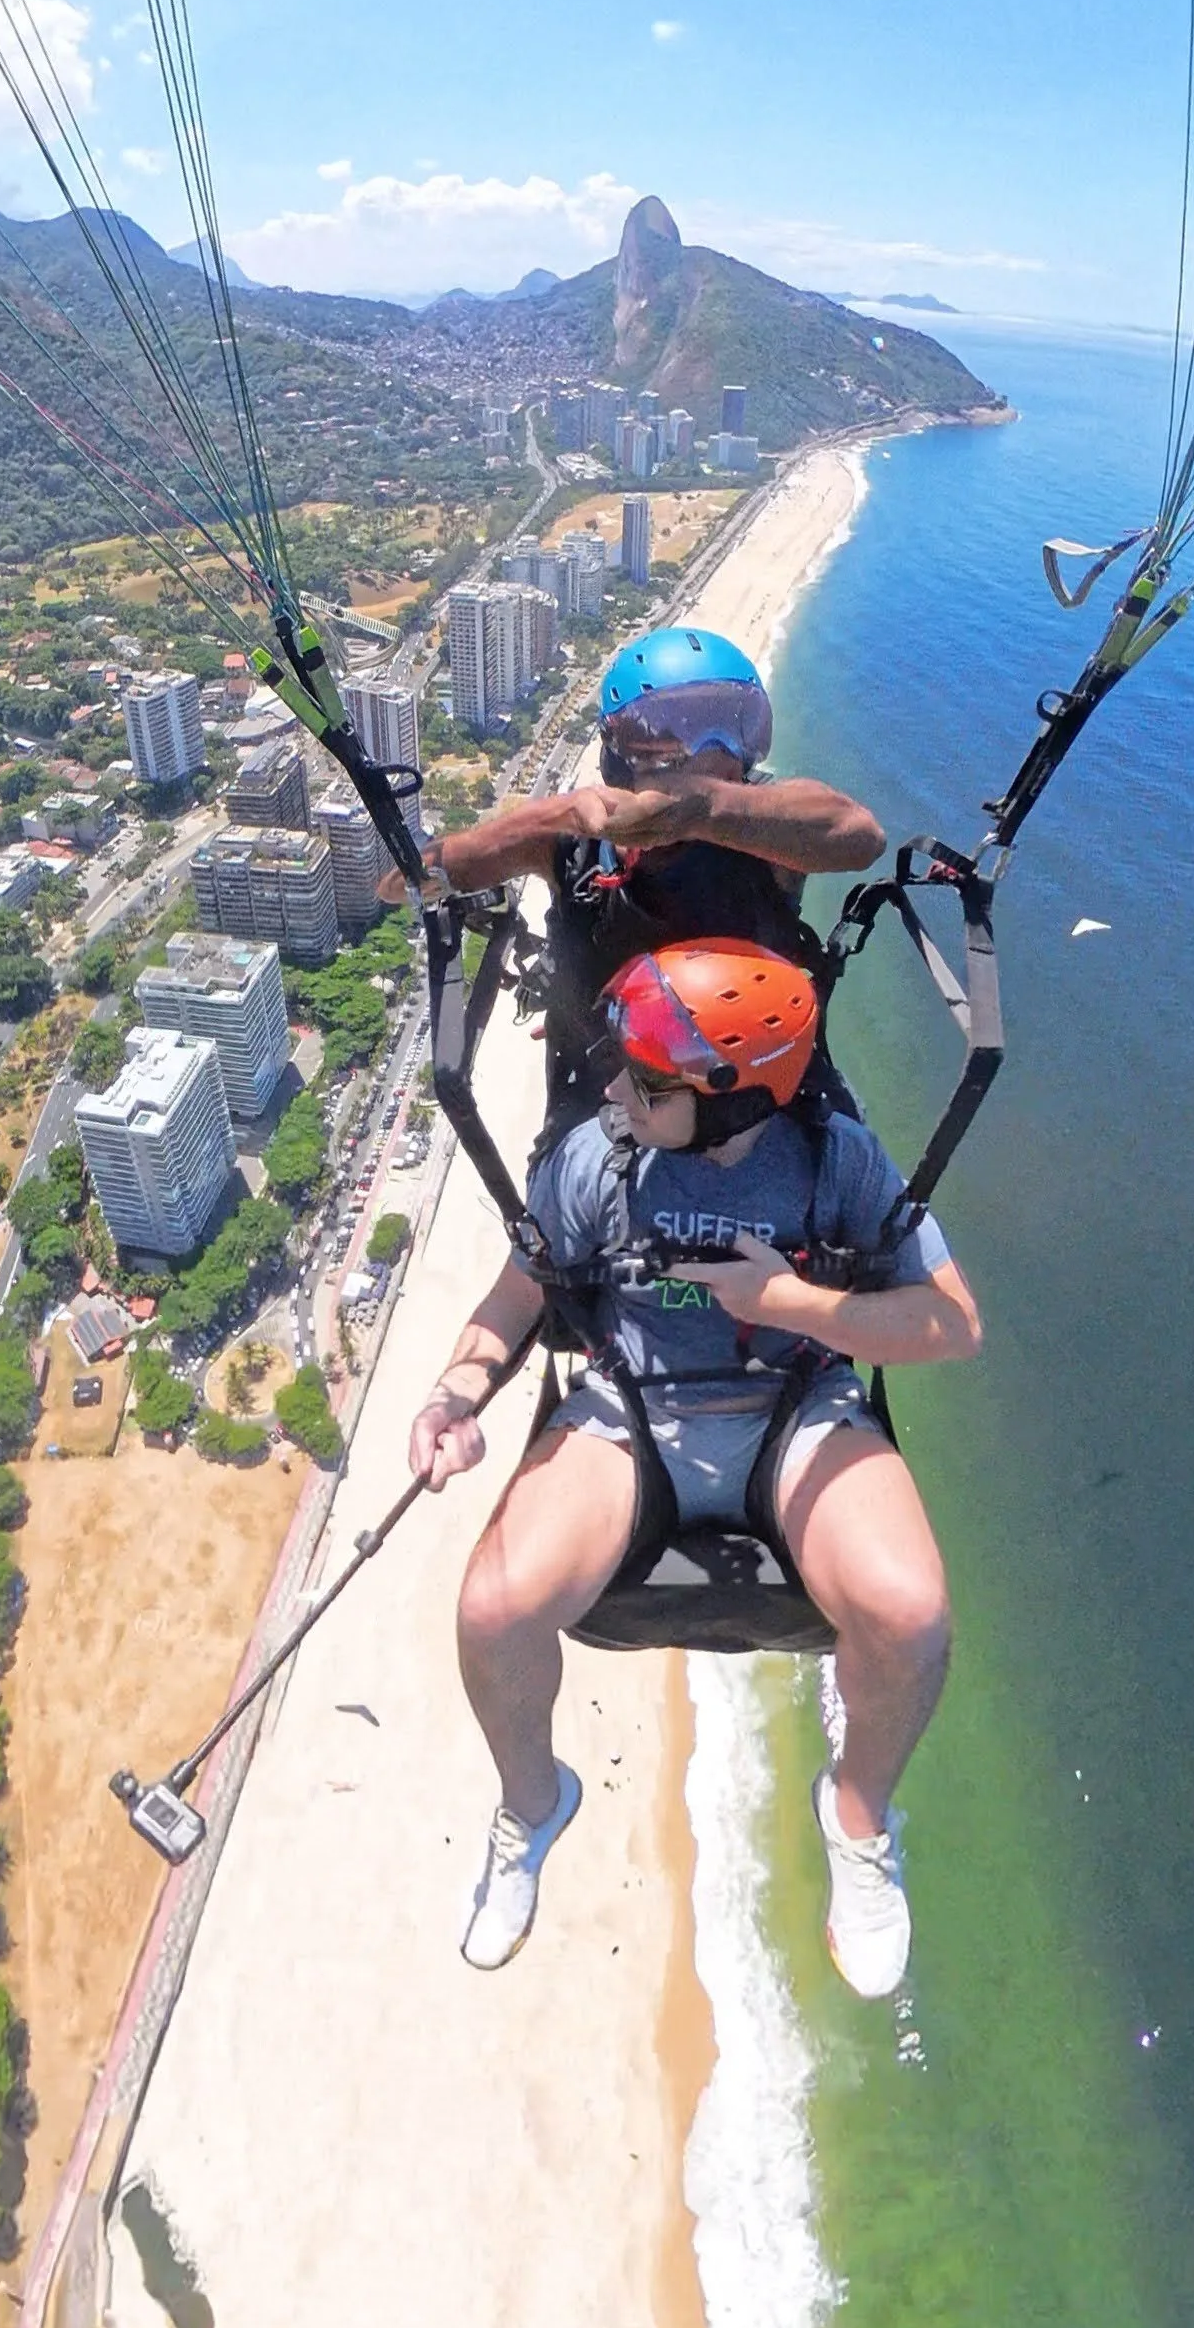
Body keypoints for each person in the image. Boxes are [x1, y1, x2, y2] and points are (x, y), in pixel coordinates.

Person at [409, 938, 981, 1994]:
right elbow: (518, 1294)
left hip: (794, 1407)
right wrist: (457, 1392)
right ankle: (533, 1804)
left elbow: (952, 1326)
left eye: (652, 1083)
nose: (620, 1090)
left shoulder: (836, 1160)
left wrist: (793, 1306)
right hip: (633, 1411)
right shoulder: (599, 1155)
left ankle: (857, 1819)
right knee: (492, 1607)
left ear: (732, 1099)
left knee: (913, 1612)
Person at [395, 624, 887, 1147]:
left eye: (729, 726)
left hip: (761, 1089)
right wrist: (545, 822)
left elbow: (858, 836)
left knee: (871, 1191)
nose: (710, 753)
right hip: (610, 1104)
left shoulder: (763, 819)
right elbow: (406, 882)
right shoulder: (574, 841)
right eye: (669, 739)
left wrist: (699, 811)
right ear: (617, 759)